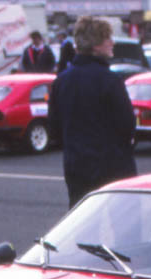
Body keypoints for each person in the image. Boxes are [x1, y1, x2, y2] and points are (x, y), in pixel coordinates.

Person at [48, 16, 136, 207]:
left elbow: (54, 129)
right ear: (95, 45)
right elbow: (128, 126)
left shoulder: (61, 81)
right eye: (108, 38)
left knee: (82, 220)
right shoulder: (110, 80)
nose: (112, 42)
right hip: (113, 168)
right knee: (123, 221)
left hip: (76, 167)